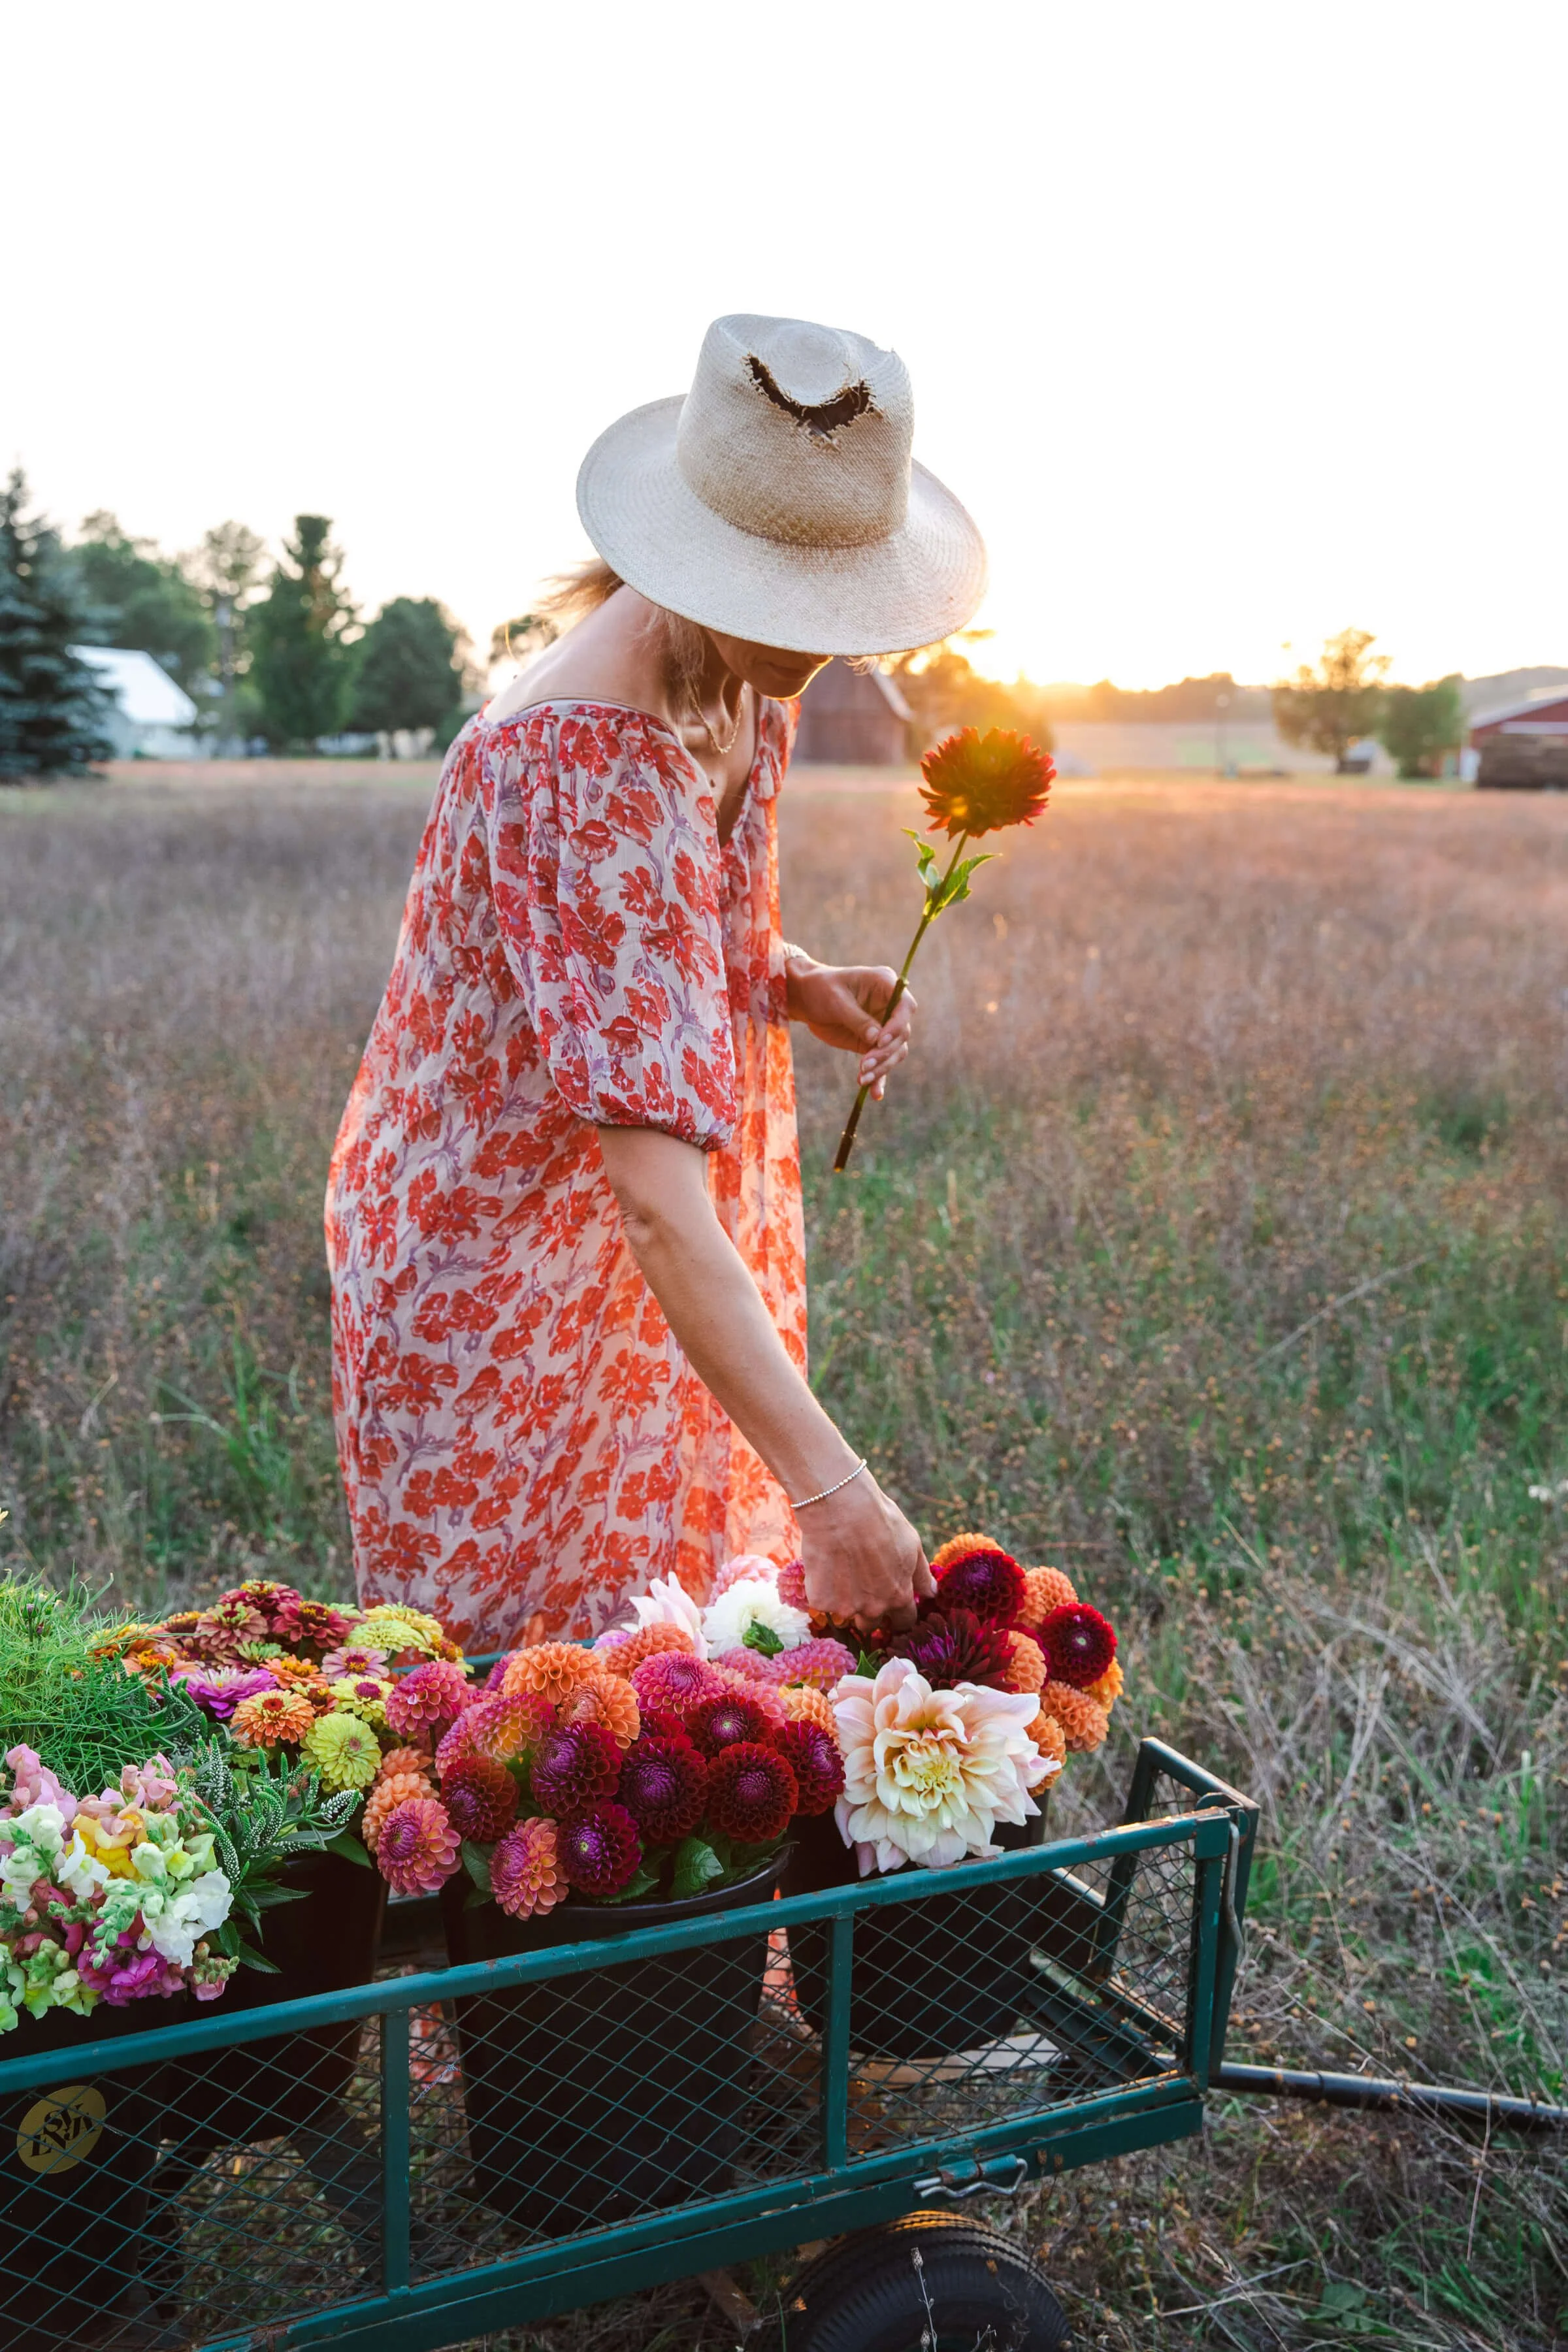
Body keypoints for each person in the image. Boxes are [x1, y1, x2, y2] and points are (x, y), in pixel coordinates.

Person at [325, 312, 988, 1652]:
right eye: (778, 594)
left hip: (634, 1261)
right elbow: (654, 1197)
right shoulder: (590, 755)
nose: (814, 641)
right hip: (503, 1271)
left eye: (836, 602)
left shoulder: (751, 693)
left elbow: (645, 948)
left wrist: (787, 978)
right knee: (536, 1719)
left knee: (674, 1667)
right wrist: (839, 1494)